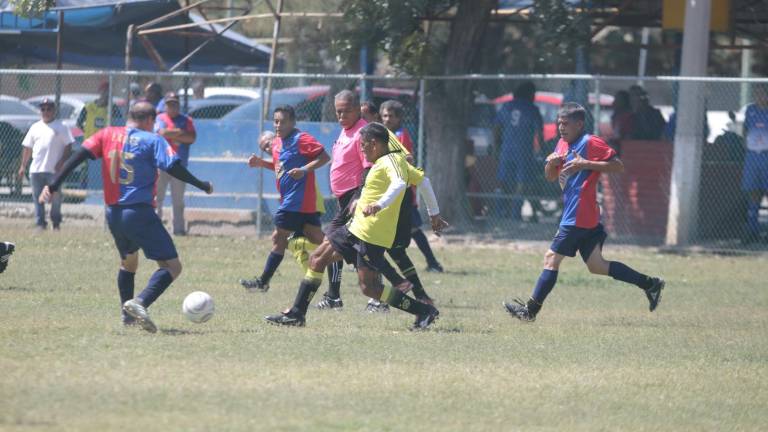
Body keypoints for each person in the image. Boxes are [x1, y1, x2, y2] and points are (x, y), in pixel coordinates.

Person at [38, 102, 214, 333]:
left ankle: (127, 318)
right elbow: (173, 167)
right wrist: (202, 185)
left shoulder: (107, 133)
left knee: (129, 263)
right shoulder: (153, 140)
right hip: (139, 212)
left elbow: (79, 156)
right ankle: (139, 303)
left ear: (130, 116)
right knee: (172, 266)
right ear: (150, 120)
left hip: (114, 214)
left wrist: (53, 185)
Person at [264, 122, 447, 329]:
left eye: (363, 145)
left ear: (375, 144)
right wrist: (434, 215)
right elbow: (424, 182)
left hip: (371, 234)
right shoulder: (386, 161)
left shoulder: (392, 160)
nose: (361, 150)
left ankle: (423, 311)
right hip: (357, 228)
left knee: (369, 288)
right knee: (318, 260)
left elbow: (399, 183)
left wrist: (379, 204)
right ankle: (297, 314)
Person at [503, 103, 665, 322]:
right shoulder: (562, 143)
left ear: (579, 124)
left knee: (551, 259)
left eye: (566, 123)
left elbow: (618, 166)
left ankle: (530, 312)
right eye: (559, 123)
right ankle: (650, 284)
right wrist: (552, 164)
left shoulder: (590, 142)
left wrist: (585, 163)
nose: (561, 127)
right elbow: (551, 176)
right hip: (583, 215)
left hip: (577, 215)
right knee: (597, 265)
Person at [238, 105, 331, 292]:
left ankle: (263, 282)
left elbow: (324, 157)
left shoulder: (301, 139)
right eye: (275, 121)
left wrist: (304, 170)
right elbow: (280, 167)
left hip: (295, 202)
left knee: (278, 239)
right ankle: (350, 254)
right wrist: (261, 163)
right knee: (321, 240)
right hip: (298, 203)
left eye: (282, 121)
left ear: (292, 122)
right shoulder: (279, 143)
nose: (278, 125)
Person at [381, 99, 446, 273]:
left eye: (391, 116)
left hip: (402, 190)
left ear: (399, 118)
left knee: (414, 229)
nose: (387, 119)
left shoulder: (401, 135)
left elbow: (406, 160)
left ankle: (433, 263)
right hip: (390, 190)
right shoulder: (384, 136)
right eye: (384, 115)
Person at [18, 98, 74, 231]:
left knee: (55, 198)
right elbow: (27, 148)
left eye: (49, 108)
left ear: (54, 110)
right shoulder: (35, 127)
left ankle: (56, 224)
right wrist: (23, 166)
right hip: (36, 170)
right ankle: (40, 224)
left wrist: (61, 162)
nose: (46, 111)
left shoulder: (61, 126)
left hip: (54, 171)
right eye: (43, 109)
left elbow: (69, 146)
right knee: (38, 198)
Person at [493, 81, 545, 222]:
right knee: (521, 183)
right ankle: (515, 214)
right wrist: (544, 150)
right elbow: (539, 133)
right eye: (534, 94)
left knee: (502, 181)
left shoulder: (507, 106)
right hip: (524, 152)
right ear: (529, 94)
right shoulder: (532, 109)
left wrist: (496, 146)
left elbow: (497, 127)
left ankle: (499, 212)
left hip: (506, 149)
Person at [154, 92, 197, 235]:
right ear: (165, 105)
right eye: (169, 104)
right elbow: (160, 133)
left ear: (178, 105)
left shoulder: (186, 120)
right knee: (157, 198)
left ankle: (178, 230)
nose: (172, 107)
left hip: (179, 166)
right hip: (161, 164)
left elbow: (191, 138)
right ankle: (155, 228)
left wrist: (170, 133)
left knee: (177, 200)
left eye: (174, 104)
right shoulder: (160, 117)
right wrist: (178, 132)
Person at [741, 84, 768, 244]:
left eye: (762, 94)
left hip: (766, 156)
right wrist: (746, 142)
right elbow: (745, 129)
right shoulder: (750, 110)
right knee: (753, 191)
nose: (759, 97)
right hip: (752, 156)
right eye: (756, 94)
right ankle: (752, 230)